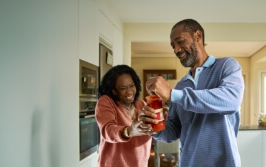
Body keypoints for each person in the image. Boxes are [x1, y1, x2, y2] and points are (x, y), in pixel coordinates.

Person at [142, 19, 245, 167]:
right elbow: (173, 131)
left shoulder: (226, 66)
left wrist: (173, 95)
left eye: (180, 41)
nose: (176, 50)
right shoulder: (181, 85)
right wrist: (153, 126)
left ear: (198, 36)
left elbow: (231, 101)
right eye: (173, 46)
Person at [95, 64, 153, 167]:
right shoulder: (106, 102)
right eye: (123, 88)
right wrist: (129, 131)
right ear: (114, 91)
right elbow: (108, 130)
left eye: (132, 86)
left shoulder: (141, 105)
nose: (129, 92)